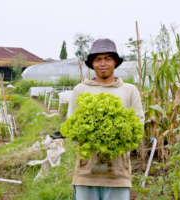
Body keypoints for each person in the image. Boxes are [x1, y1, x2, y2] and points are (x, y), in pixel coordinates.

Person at [67, 38, 145, 200]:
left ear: (115, 62)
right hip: (86, 172)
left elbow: (138, 123)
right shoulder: (80, 90)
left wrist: (118, 138)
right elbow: (71, 123)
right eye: (98, 59)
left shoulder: (129, 91)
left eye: (108, 58)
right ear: (92, 63)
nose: (103, 63)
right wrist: (91, 135)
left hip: (118, 173)